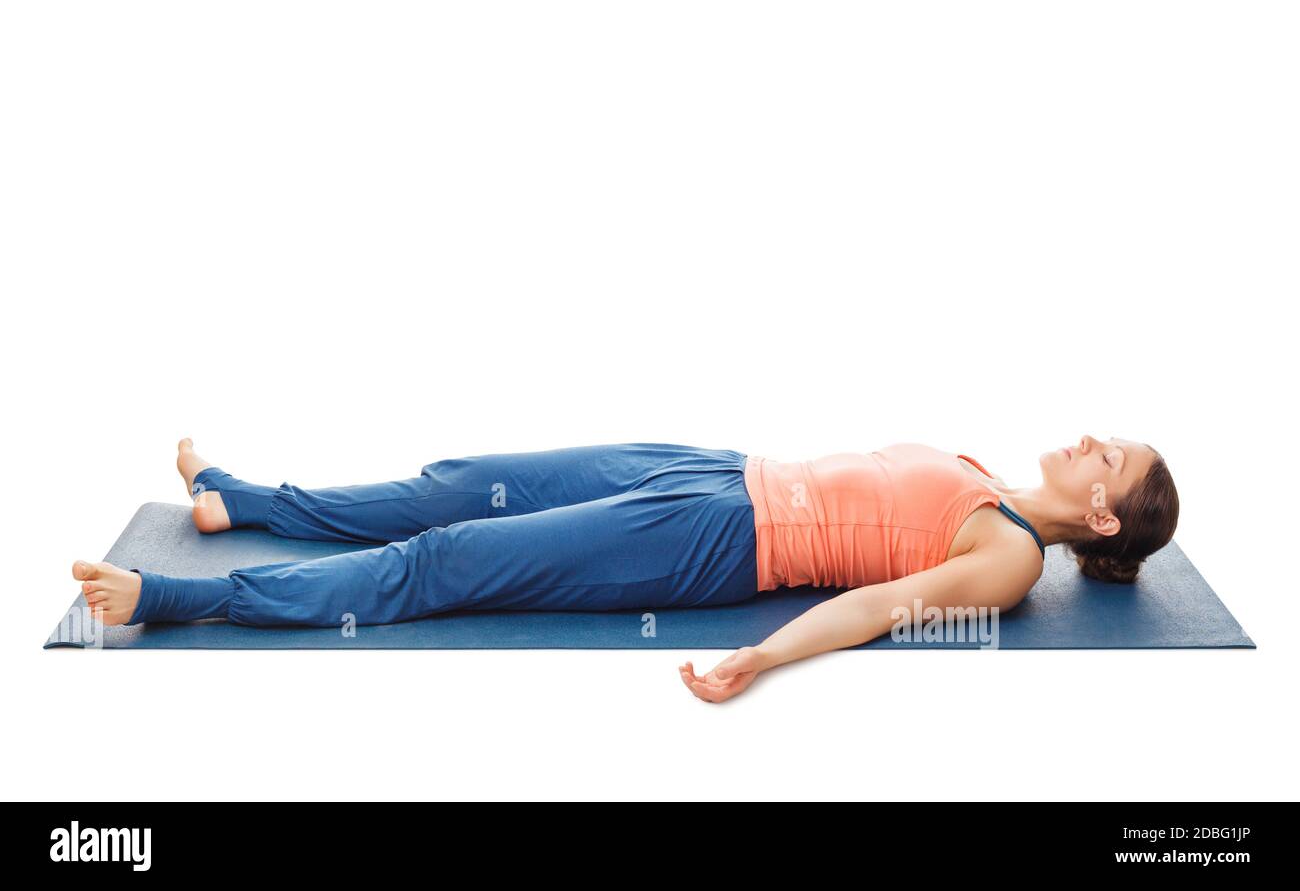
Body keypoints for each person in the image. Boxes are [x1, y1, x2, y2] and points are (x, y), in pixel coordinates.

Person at [72, 435, 1178, 702]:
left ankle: (180, 598)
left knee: (448, 559)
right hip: (707, 467)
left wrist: (761, 656)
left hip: (718, 543)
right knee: (466, 480)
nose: (1089, 434)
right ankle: (247, 500)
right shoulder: (986, 476)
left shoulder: (1005, 559)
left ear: (1098, 507)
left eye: (1109, 452)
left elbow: (881, 605)